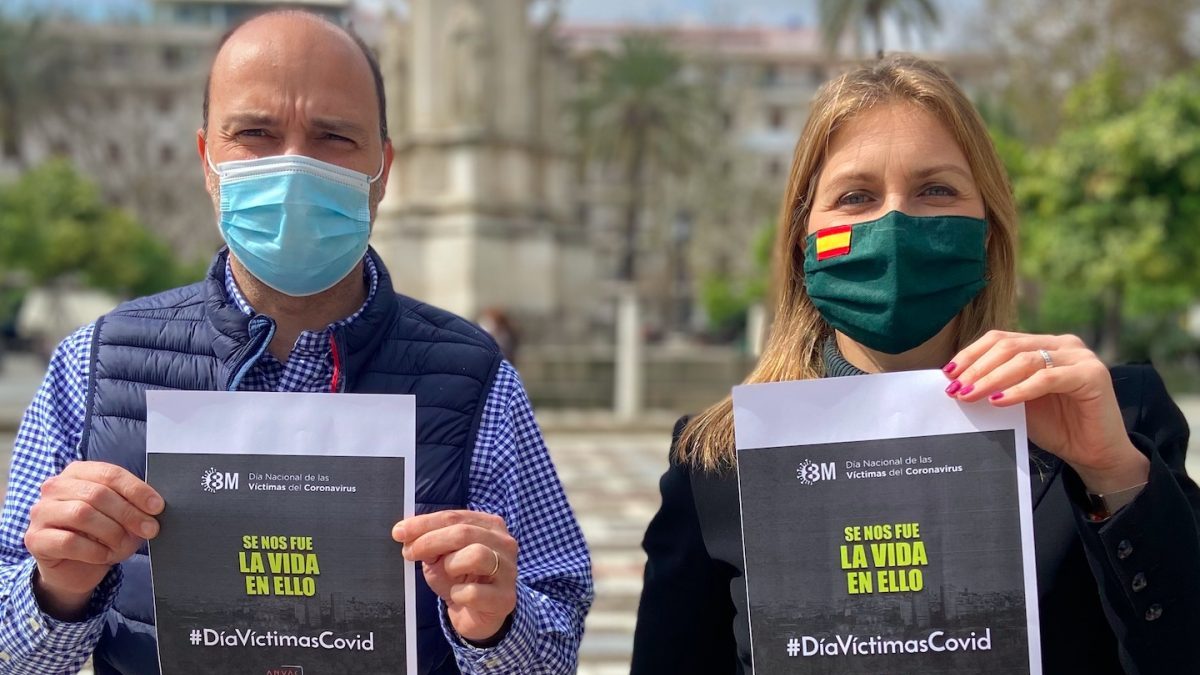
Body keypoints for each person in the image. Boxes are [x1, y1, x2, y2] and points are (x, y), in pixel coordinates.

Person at [0, 11, 591, 675]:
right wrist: (56, 590)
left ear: (383, 169)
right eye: (254, 133)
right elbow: (11, 652)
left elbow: (556, 638)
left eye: (334, 136)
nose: (294, 164)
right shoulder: (94, 367)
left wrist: (498, 625)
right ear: (206, 161)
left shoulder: (477, 381)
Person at [631, 55, 1199, 675]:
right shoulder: (719, 460)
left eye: (937, 189)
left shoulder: (1114, 417)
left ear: (986, 226)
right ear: (803, 237)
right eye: (856, 196)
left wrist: (1115, 477)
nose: (895, 222)